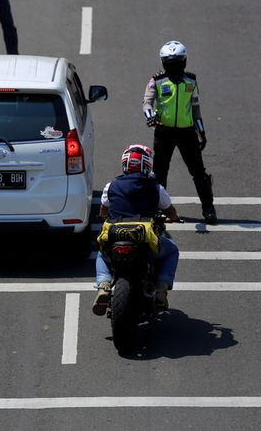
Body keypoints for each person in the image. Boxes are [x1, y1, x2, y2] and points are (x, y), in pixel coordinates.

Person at [92, 144, 181, 316]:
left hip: (115, 236)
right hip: (145, 239)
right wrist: (174, 218)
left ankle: (103, 286)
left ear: (125, 164)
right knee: (172, 251)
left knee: (103, 254)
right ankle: (162, 288)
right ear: (147, 165)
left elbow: (103, 212)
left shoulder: (111, 186)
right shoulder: (156, 187)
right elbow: (171, 212)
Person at [142, 40, 218, 224]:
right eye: (170, 64)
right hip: (163, 132)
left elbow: (195, 108)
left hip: (187, 133)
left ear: (184, 62)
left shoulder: (191, 81)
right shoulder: (157, 80)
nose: (173, 67)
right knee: (160, 173)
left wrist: (201, 132)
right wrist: (150, 116)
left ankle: (208, 208)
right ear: (163, 64)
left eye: (177, 63)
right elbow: (147, 102)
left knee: (199, 172)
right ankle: (160, 210)